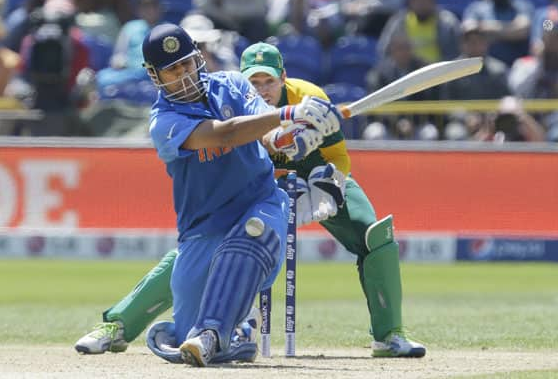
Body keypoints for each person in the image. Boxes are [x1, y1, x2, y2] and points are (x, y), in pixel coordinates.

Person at [75, 40, 424, 360]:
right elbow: (243, 135)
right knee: (205, 250)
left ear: (283, 79)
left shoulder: (308, 95)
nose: (261, 90)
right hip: (255, 182)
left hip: (316, 174)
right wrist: (283, 127)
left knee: (373, 233)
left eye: (268, 82)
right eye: (253, 82)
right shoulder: (218, 102)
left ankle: (390, 334)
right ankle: (120, 323)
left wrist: (329, 177)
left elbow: (335, 155)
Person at [95, 23, 340, 367]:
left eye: (186, 64)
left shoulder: (233, 84)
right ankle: (235, 334)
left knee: (249, 237)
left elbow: (263, 128)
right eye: (172, 70)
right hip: (204, 230)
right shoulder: (163, 121)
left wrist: (287, 138)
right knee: (184, 335)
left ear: (197, 59)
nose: (183, 75)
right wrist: (288, 113)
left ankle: (214, 332)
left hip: (260, 203)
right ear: (155, 76)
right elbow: (225, 134)